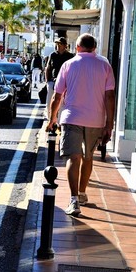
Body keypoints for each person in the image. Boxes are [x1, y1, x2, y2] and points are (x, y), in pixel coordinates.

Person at [46, 33, 115, 216]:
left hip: (71, 118)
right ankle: (83, 192)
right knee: (88, 156)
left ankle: (74, 200)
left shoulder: (68, 65)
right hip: (95, 120)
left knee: (73, 158)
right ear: (94, 48)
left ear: (77, 47)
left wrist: (52, 118)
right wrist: (110, 123)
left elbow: (57, 95)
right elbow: (110, 96)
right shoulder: (105, 65)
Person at [44, 37, 74, 119]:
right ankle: (50, 119)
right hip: (53, 81)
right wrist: (47, 81)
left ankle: (59, 122)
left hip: (65, 82)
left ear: (65, 46)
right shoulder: (53, 55)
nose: (58, 46)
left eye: (60, 44)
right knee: (50, 101)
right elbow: (48, 68)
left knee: (61, 103)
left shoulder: (70, 56)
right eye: (57, 44)